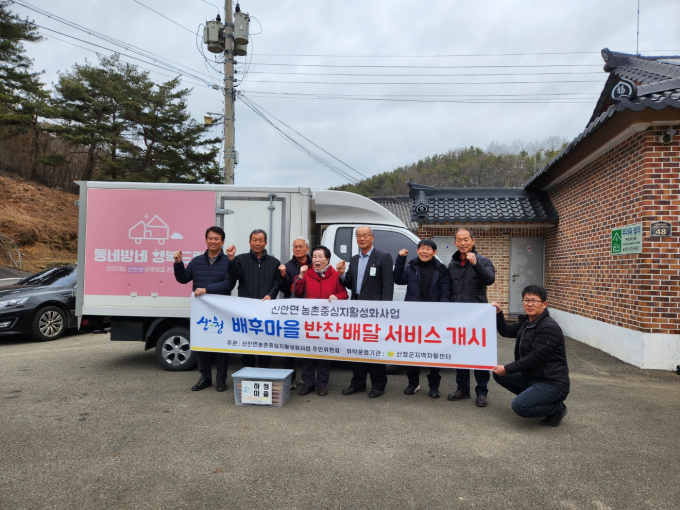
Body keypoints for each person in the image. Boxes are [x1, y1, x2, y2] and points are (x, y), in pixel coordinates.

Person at [491, 284, 570, 427]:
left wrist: (507, 368)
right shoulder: (527, 322)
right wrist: (498, 313)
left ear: (544, 304)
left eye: (534, 300)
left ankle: (557, 407)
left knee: (520, 406)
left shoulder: (549, 327)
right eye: (526, 300)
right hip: (531, 377)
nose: (530, 304)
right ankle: (534, 396)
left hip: (552, 383)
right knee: (498, 374)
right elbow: (506, 331)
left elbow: (534, 358)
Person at [336, 225, 394, 398]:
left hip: (375, 311)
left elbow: (387, 286)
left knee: (374, 349)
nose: (361, 239)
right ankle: (358, 383)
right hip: (356, 310)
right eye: (358, 236)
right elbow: (350, 284)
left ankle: (378, 384)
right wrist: (342, 274)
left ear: (372, 237)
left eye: (365, 235)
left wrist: (384, 311)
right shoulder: (354, 259)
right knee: (356, 348)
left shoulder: (383, 257)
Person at [173, 226, 233, 392]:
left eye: (216, 239)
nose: (213, 241)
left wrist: (207, 290)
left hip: (221, 310)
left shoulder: (228, 262)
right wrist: (178, 264)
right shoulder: (197, 261)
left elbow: (229, 283)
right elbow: (183, 279)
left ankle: (221, 380)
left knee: (221, 347)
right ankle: (205, 378)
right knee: (202, 345)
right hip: (202, 311)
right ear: (206, 240)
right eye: (210, 238)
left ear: (222, 241)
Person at [393, 239, 451, 398]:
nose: (425, 252)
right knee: (412, 352)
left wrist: (442, 312)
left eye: (428, 249)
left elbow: (446, 294)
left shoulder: (442, 270)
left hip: (434, 318)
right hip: (413, 316)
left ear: (434, 252)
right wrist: (400, 259)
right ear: (417, 251)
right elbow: (398, 279)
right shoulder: (411, 267)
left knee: (433, 352)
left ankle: (434, 387)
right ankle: (413, 384)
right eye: (422, 249)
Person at [447, 227, 496, 407]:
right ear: (455, 243)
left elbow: (489, 279)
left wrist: (476, 263)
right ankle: (462, 389)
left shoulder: (483, 260)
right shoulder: (452, 264)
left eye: (466, 239)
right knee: (461, 353)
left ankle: (481, 392)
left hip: (478, 316)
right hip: (458, 316)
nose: (463, 243)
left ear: (473, 241)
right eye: (459, 240)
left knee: (479, 353)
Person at [293, 245, 348, 396]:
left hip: (327, 321)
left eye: (320, 257)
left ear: (327, 259)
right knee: (308, 352)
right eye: (315, 257)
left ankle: (322, 384)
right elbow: (296, 292)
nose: (317, 260)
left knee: (324, 352)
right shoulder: (307, 273)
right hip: (309, 320)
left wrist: (337, 297)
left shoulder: (335, 275)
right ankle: (308, 382)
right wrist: (301, 277)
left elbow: (344, 294)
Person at [226, 229, 281, 369]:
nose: (257, 243)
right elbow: (234, 276)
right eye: (254, 240)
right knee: (247, 343)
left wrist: (271, 295)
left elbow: (277, 282)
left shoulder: (274, 262)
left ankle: (263, 370)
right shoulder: (240, 259)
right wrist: (231, 259)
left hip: (266, 309)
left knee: (265, 342)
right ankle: (248, 370)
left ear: (265, 242)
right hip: (246, 309)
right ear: (250, 242)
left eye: (260, 240)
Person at [277, 236, 312, 388]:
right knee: (289, 345)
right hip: (291, 311)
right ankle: (289, 379)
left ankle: (306, 378)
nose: (297, 249)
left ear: (307, 248)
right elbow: (284, 290)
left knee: (307, 345)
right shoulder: (288, 266)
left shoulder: (314, 264)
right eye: (295, 246)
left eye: (301, 246)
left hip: (310, 311)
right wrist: (284, 277)